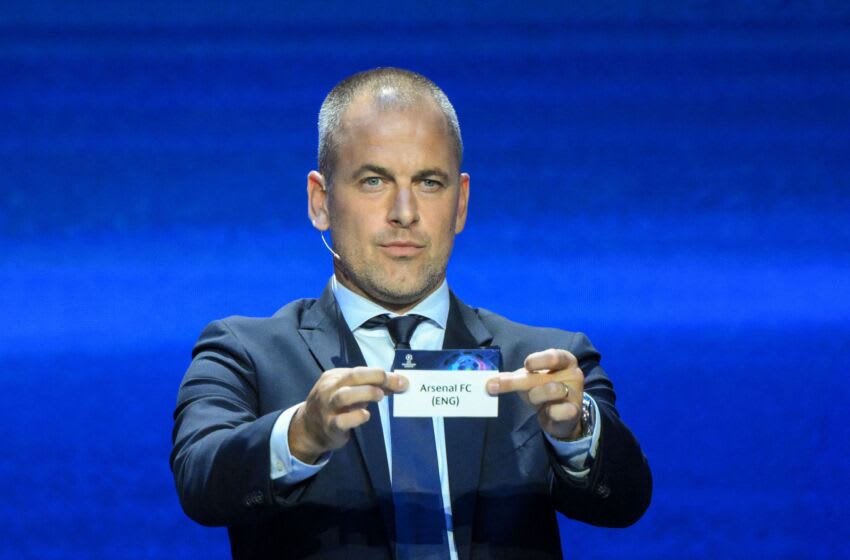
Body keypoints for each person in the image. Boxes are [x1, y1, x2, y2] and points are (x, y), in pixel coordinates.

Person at [171, 67, 651, 560]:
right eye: (374, 180)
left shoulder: (544, 363)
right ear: (321, 201)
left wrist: (577, 433)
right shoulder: (245, 353)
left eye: (429, 182)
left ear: (460, 203)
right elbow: (201, 480)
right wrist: (303, 434)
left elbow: (625, 503)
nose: (405, 211)